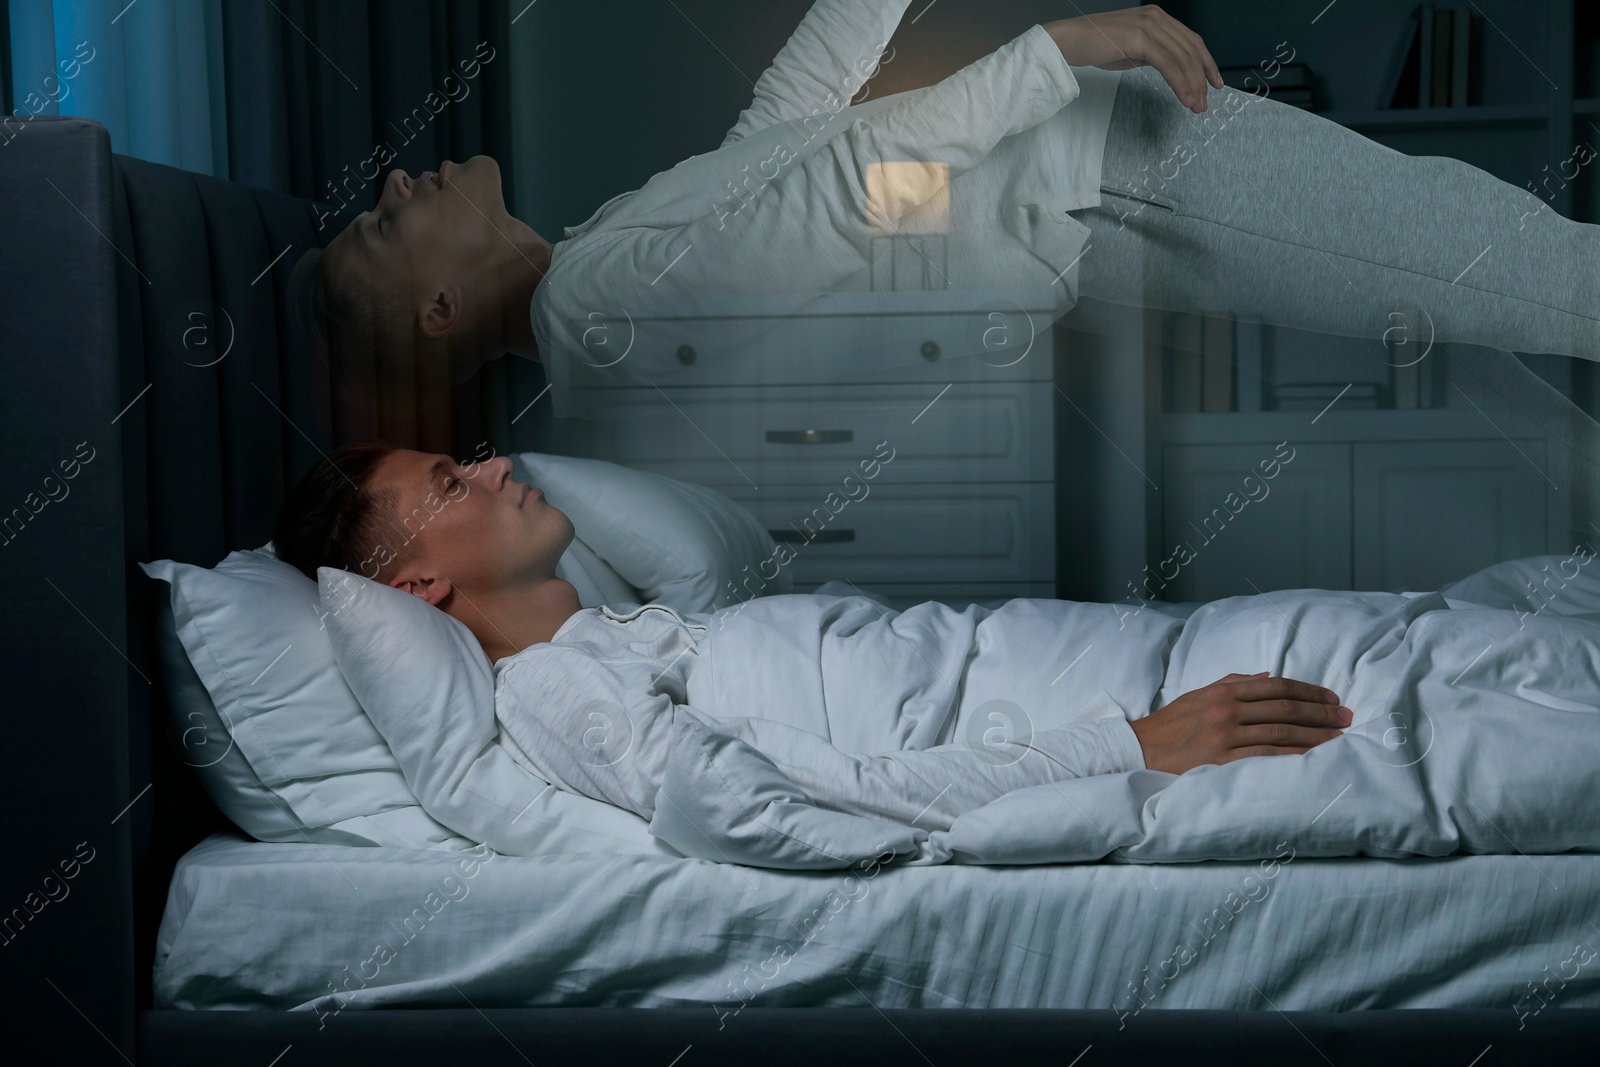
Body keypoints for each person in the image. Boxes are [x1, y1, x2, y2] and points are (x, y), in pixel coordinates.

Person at [287, 1, 1600, 418]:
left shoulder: (599, 268)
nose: (399, 182)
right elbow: (845, 190)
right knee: (1527, 272)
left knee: (1502, 279)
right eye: (386, 225)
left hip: (1094, 180)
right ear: (442, 306)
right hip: (1114, 181)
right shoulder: (599, 305)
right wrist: (1060, 48)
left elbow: (795, 136)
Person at [271, 438, 1353, 816]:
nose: (498, 465)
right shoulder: (552, 692)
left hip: (1090, 657)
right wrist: (1129, 743)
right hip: (1110, 710)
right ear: (412, 588)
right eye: (451, 481)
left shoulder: (621, 635)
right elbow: (799, 798)